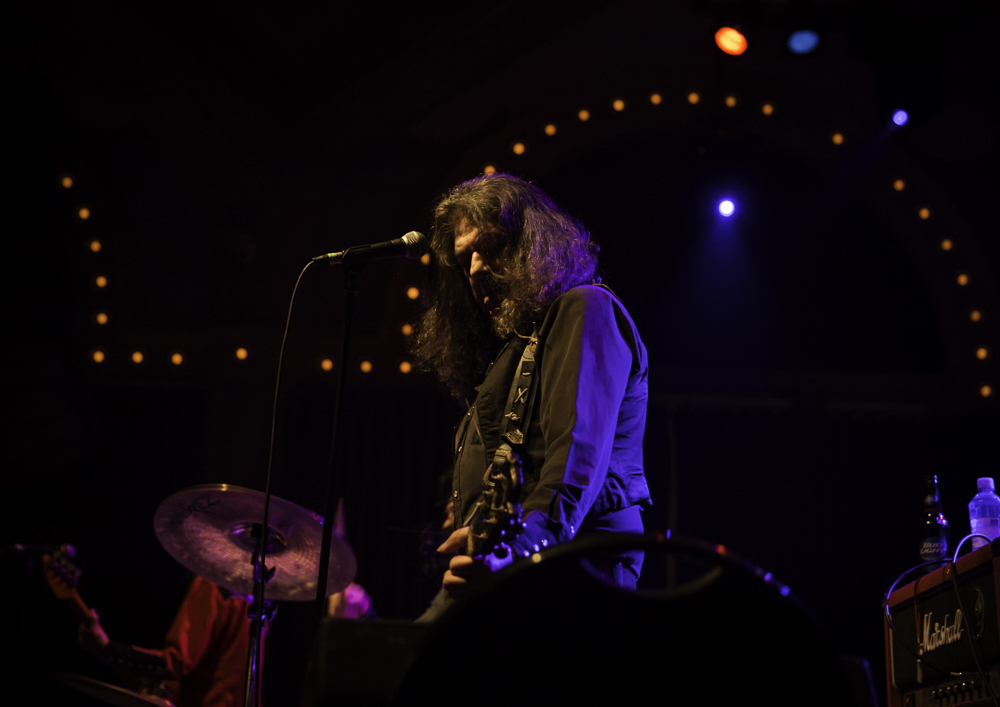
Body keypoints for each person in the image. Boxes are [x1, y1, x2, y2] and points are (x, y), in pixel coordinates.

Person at [411, 173, 651, 615]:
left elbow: (575, 460)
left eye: (492, 246)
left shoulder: (584, 307)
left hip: (571, 568)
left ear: (534, 244)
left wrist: (513, 550)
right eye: (466, 259)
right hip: (523, 566)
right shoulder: (516, 349)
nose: (477, 268)